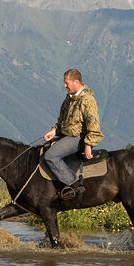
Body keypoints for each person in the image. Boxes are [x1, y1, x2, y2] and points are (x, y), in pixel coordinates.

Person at [42, 68, 104, 200]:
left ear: (76, 82)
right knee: (43, 149)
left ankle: (73, 184)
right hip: (66, 135)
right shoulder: (69, 98)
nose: (65, 85)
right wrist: (54, 131)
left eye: (67, 82)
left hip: (78, 138)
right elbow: (62, 120)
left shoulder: (87, 100)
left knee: (50, 156)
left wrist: (88, 144)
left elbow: (93, 124)